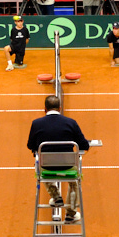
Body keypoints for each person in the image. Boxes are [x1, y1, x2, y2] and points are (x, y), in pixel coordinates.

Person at [27, 94, 91, 224]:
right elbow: (84, 145)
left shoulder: (36, 123)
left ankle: (56, 196)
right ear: (60, 108)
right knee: (74, 182)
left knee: (39, 165)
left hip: (46, 166)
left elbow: (30, 146)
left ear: (44, 109)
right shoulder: (71, 122)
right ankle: (71, 214)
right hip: (67, 165)